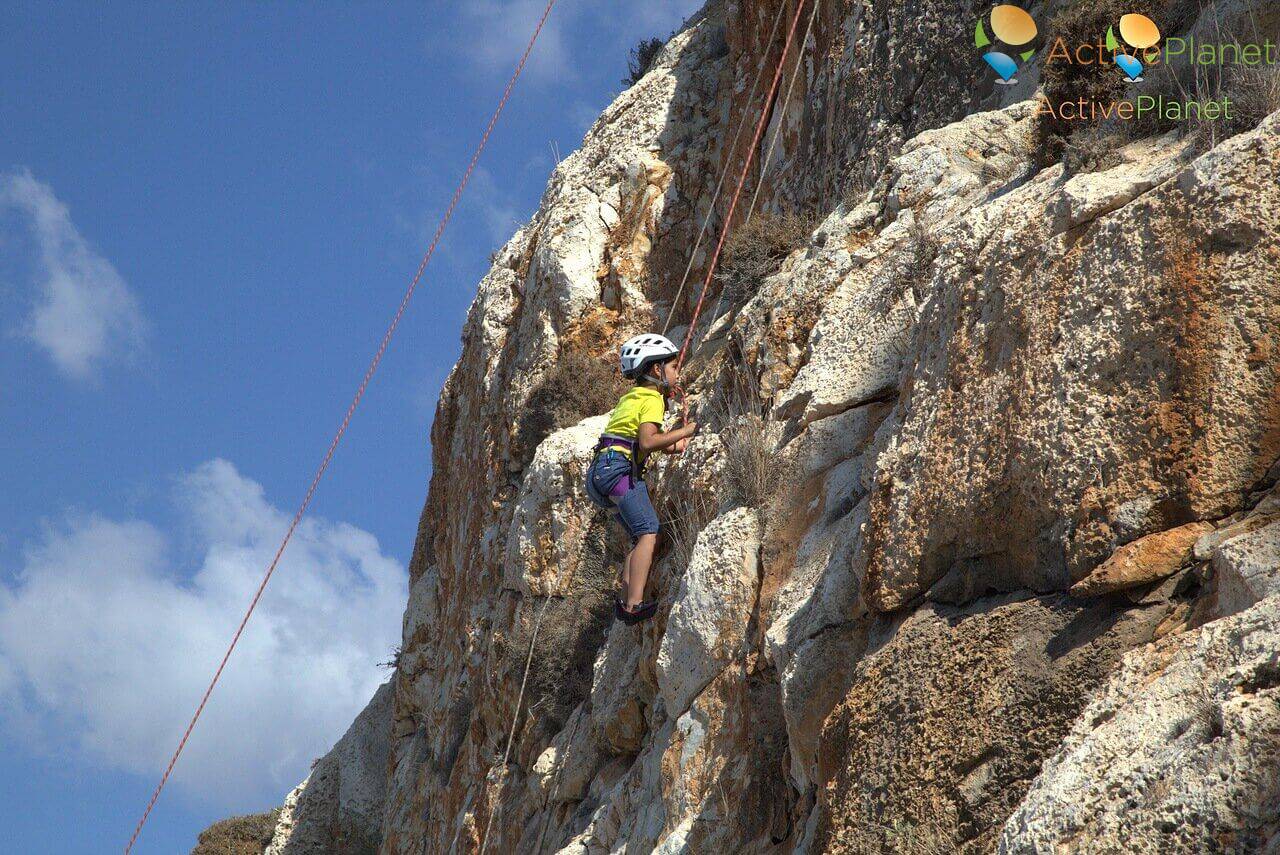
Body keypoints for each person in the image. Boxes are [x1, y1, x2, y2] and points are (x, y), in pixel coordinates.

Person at [584, 333, 698, 624]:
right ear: (656, 370)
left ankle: (624, 599)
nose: (677, 373)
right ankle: (634, 605)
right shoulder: (651, 399)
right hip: (618, 470)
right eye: (673, 367)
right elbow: (648, 442)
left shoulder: (632, 397)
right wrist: (684, 432)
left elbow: (636, 440)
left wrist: (673, 445)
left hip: (601, 473)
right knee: (648, 529)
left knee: (639, 535)